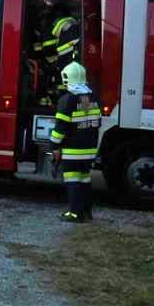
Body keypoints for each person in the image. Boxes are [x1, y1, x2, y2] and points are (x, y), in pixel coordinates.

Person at [50, 61, 101, 223]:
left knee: (72, 180)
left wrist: (54, 146)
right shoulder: (92, 96)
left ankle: (74, 212)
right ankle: (86, 212)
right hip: (89, 149)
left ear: (67, 78)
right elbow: (97, 123)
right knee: (85, 179)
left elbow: (60, 128)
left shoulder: (67, 99)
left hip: (72, 150)